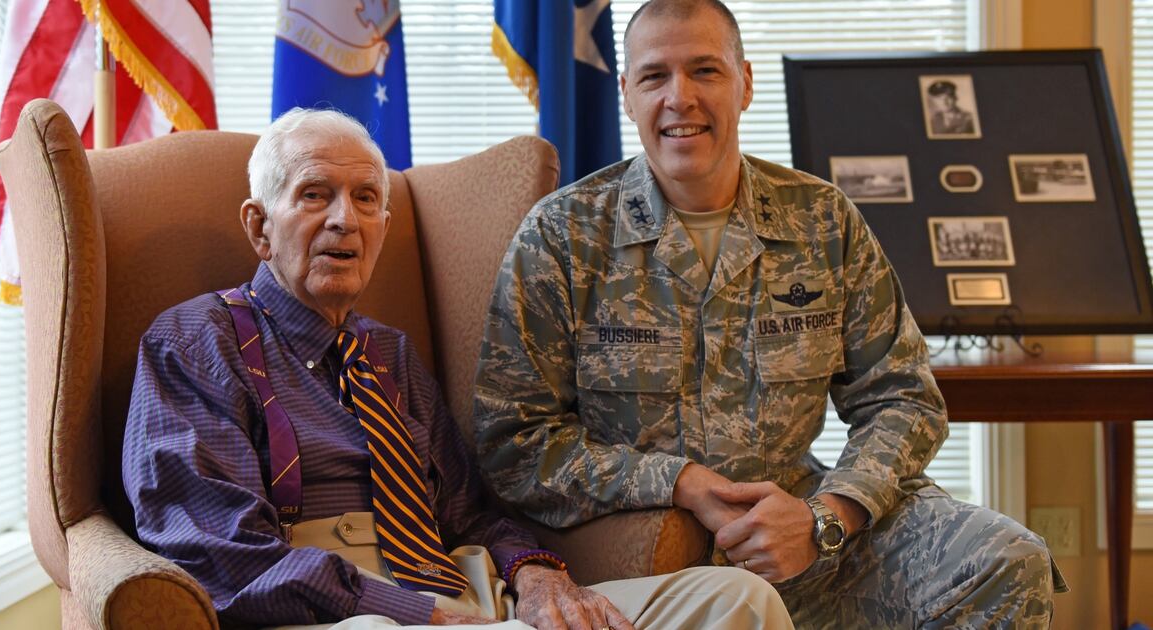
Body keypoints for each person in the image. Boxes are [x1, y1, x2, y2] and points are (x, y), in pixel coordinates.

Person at [472, 0, 1063, 627]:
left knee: (1007, 560)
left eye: (705, 71)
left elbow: (903, 400)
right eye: (654, 76)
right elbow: (511, 441)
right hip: (650, 551)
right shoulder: (563, 237)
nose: (680, 98)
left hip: (807, 531)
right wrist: (679, 482)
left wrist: (829, 516)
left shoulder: (822, 220)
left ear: (745, 83)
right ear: (625, 93)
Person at [123, 107, 793, 629]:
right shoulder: (195, 340)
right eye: (313, 195)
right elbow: (219, 553)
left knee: (734, 599)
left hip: (456, 583)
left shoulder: (389, 353)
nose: (343, 221)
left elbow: (468, 513)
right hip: (327, 606)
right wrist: (418, 611)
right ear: (259, 228)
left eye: (365, 199)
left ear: (384, 226)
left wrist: (537, 577)